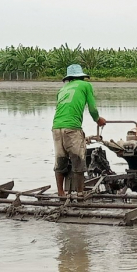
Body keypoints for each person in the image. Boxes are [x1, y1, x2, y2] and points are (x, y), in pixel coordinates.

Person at [52, 64, 106, 196]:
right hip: (72, 128)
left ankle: (61, 193)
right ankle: (80, 194)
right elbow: (92, 108)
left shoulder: (62, 89)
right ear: (82, 76)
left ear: (69, 78)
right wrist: (98, 120)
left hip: (56, 127)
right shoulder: (86, 85)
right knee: (78, 161)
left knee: (61, 160)